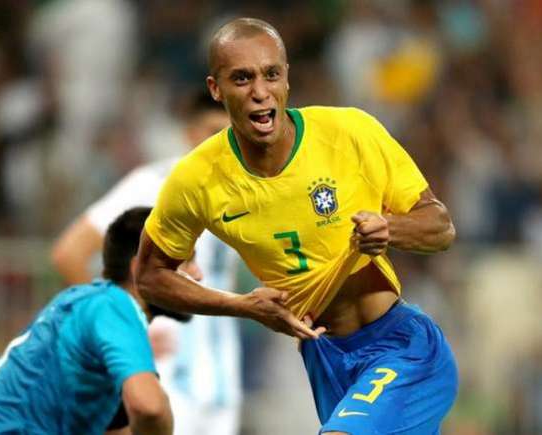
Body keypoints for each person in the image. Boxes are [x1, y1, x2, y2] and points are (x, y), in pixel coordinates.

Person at [137, 17, 458, 435]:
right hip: (324, 360)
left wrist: (389, 229)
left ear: (287, 78)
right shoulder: (197, 179)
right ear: (216, 89)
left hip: (401, 347)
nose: (260, 92)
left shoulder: (349, 132)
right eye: (242, 78)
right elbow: (150, 276)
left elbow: (441, 226)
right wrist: (242, 306)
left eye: (271, 74)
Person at [51, 92, 242, 435]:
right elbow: (69, 253)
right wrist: (120, 328)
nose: (223, 143)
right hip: (167, 372)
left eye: (231, 133)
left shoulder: (244, 194)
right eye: (214, 131)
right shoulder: (153, 185)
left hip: (221, 380)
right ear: (190, 134)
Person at [0, 207, 186, 435]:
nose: (198, 275)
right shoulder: (114, 306)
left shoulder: (92, 308)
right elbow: (151, 408)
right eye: (186, 262)